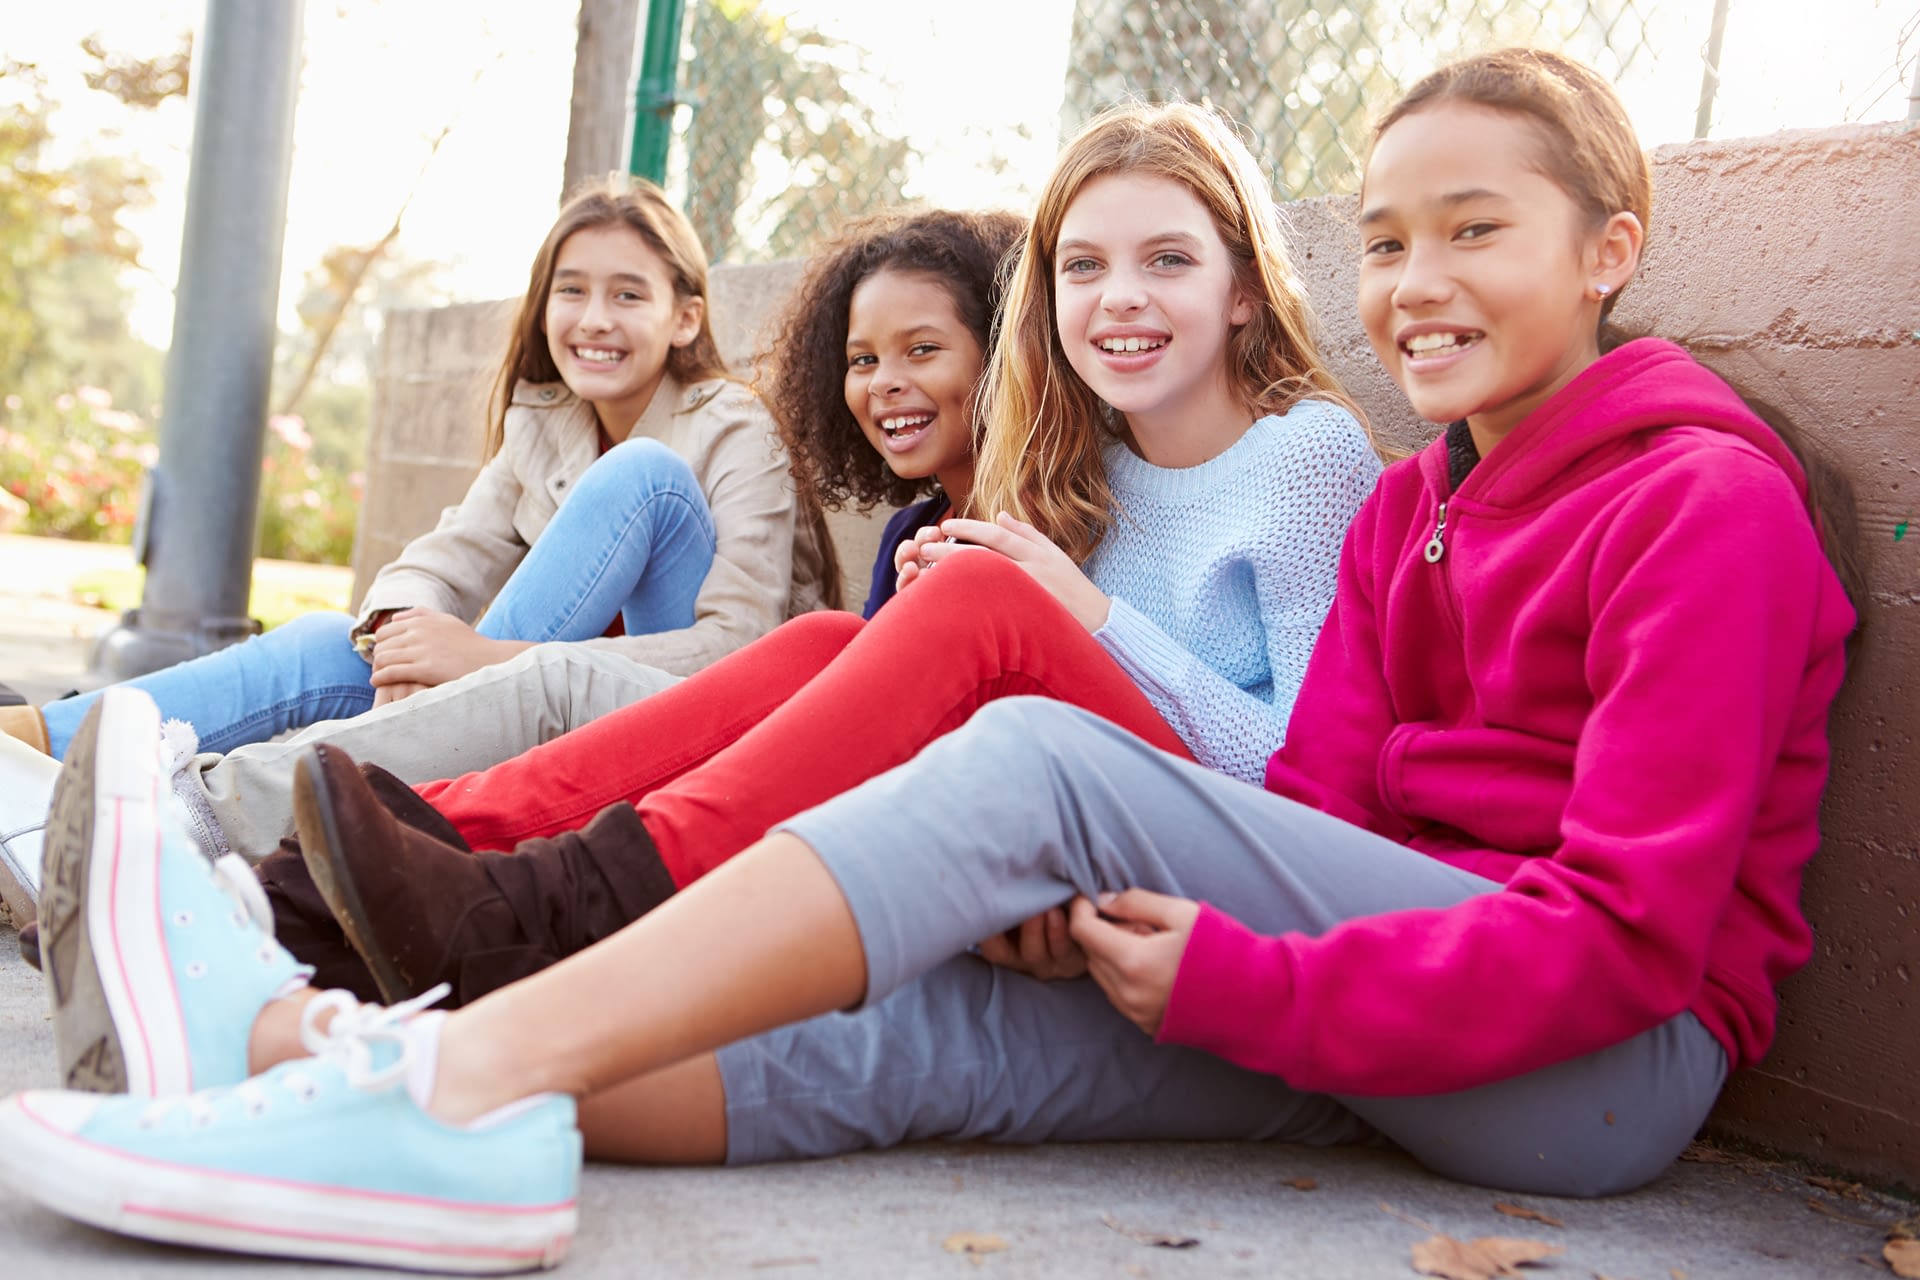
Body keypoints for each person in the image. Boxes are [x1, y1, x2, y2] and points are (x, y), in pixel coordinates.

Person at [256, 100, 1380, 1011]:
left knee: (983, 599)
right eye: (1083, 266)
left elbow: (1309, 797)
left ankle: (552, 904)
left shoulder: (1305, 456)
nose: (1119, 296)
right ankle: (439, 828)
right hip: (1079, 815)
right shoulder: (1092, 465)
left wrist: (1079, 614)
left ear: (1242, 288)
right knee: (837, 636)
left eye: (1168, 259)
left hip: (1239, 874)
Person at [0, 176, 825, 910]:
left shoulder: (734, 429)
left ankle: (131, 828)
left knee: (642, 474)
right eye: (570, 291)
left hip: (678, 727)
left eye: (628, 295)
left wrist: (485, 662)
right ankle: (31, 746)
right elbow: (440, 557)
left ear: (686, 317)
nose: (594, 319)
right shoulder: (547, 425)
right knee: (335, 642)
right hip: (535, 694)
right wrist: (402, 640)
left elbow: (738, 655)